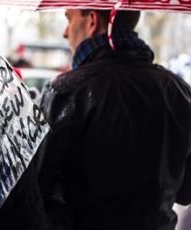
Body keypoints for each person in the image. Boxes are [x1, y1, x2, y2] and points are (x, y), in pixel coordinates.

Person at [38, 9, 191, 230]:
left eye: (69, 19)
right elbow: (186, 192)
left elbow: (36, 187)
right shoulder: (179, 92)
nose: (65, 32)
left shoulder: (66, 91)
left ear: (92, 21)